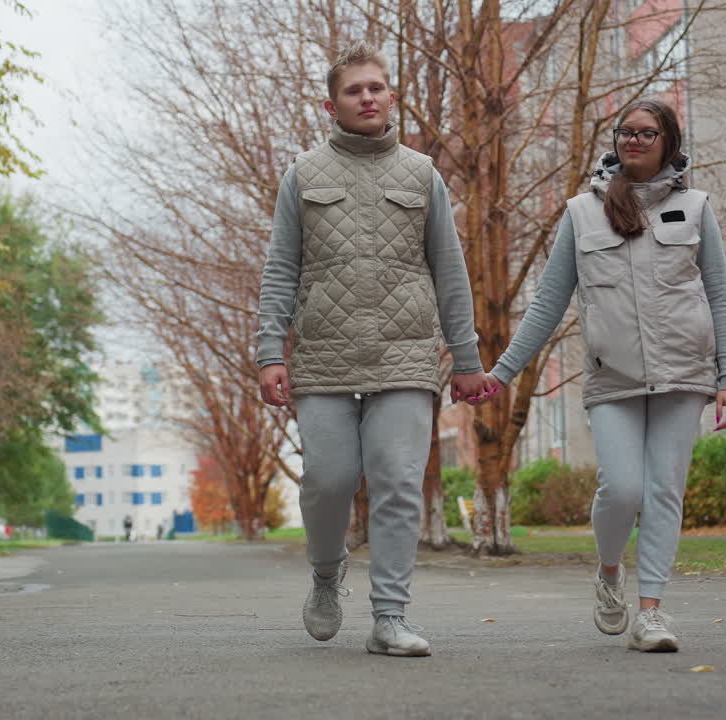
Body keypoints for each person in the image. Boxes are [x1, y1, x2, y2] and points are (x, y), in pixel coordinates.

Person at [256, 41, 495, 658]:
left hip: (406, 354)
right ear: (331, 104)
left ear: (392, 97)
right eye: (353, 90)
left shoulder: (422, 174)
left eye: (376, 87)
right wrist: (269, 352)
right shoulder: (303, 175)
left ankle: (390, 617)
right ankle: (326, 575)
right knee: (329, 480)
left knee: (396, 481)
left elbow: (450, 270)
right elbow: (281, 269)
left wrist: (465, 360)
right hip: (323, 355)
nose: (367, 97)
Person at [483, 98, 726, 652]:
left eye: (648, 133)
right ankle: (607, 572)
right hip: (612, 376)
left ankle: (651, 613)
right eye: (627, 132)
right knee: (621, 488)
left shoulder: (696, 207)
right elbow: (548, 304)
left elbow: (719, 295)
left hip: (684, 374)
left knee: (664, 490)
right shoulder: (581, 213)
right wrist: (501, 374)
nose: (635, 140)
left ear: (668, 142)